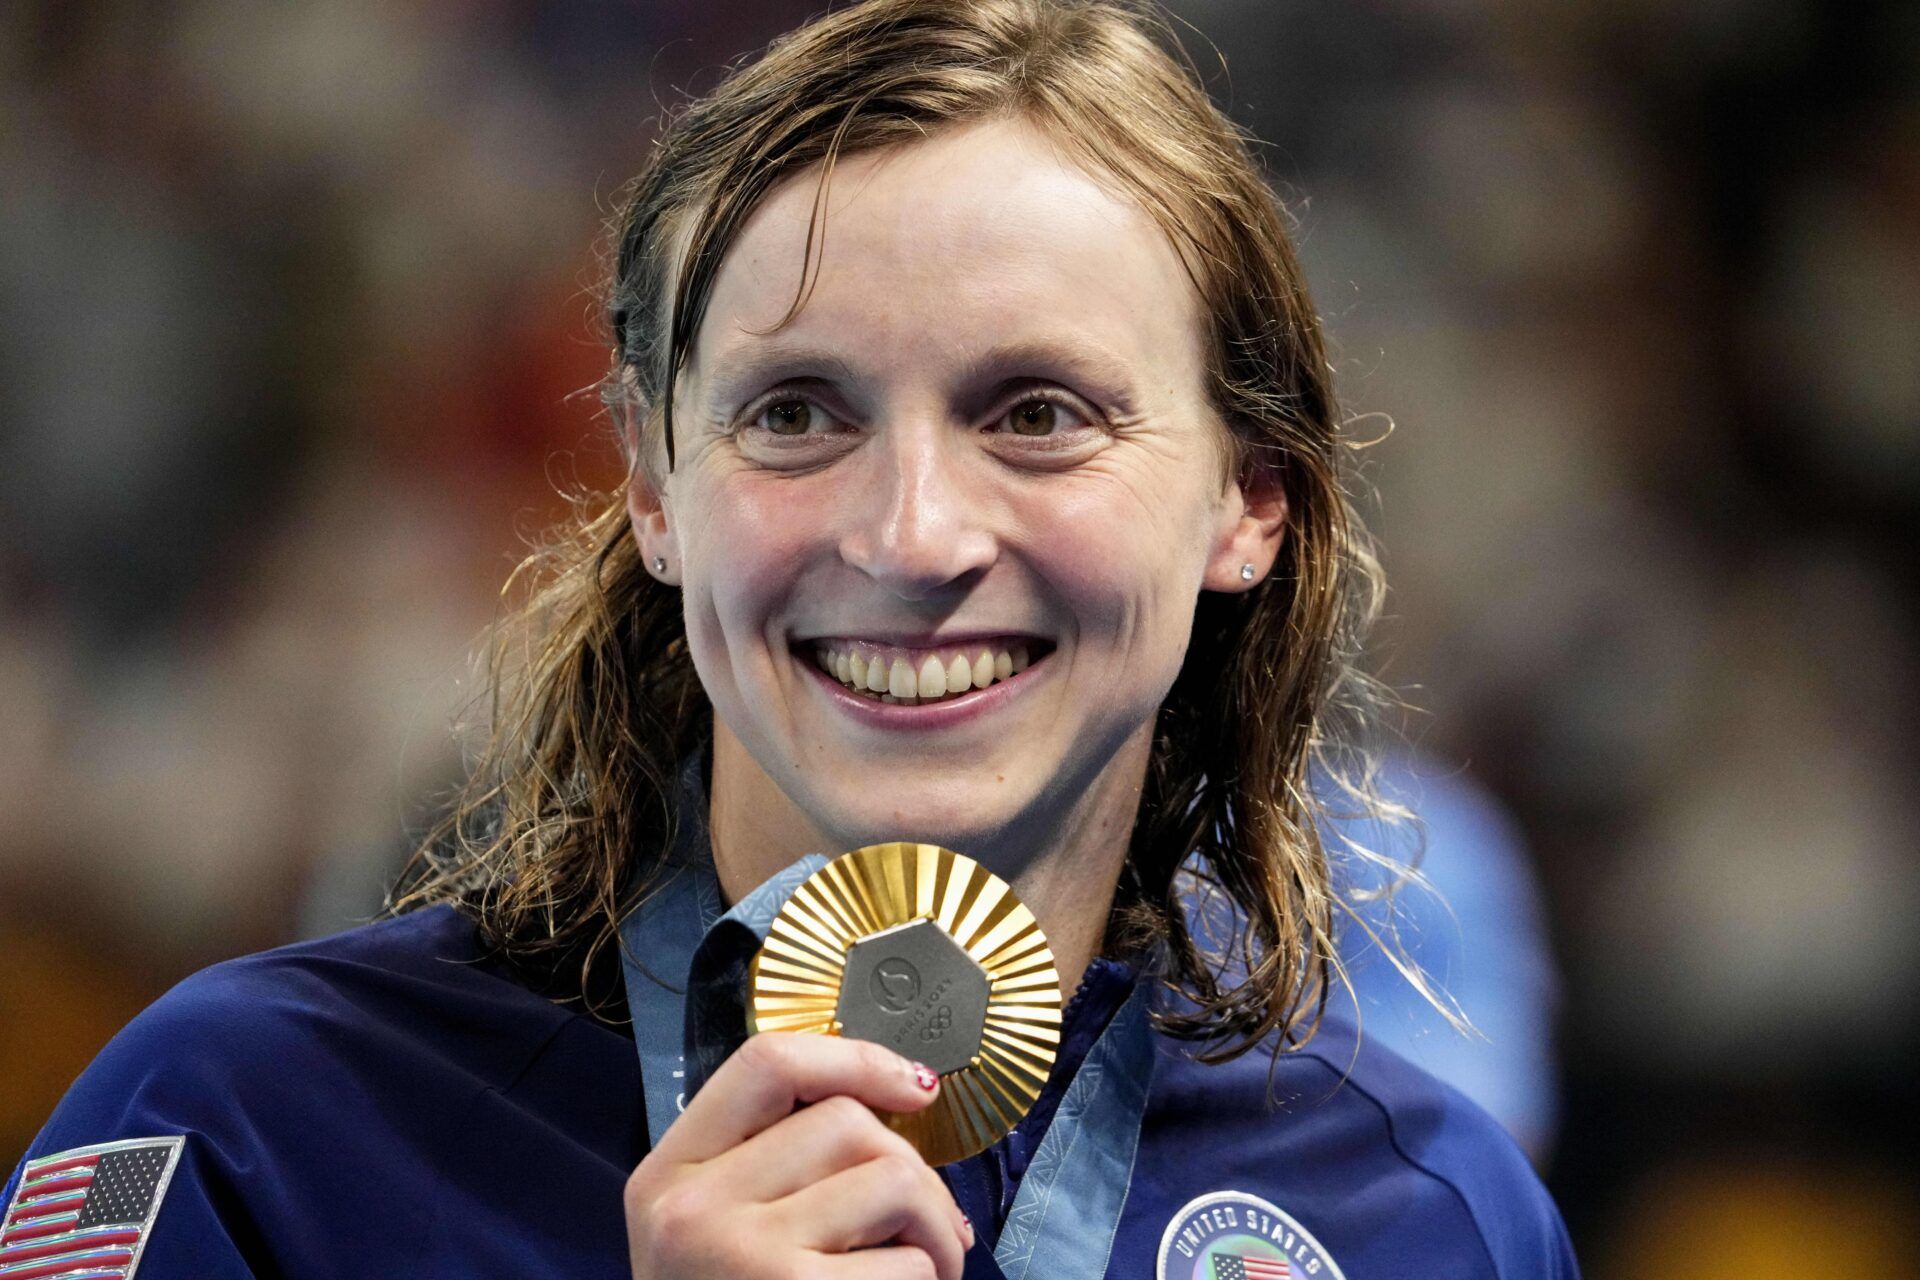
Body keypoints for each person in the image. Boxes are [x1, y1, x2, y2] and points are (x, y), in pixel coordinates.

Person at [2, 2, 1581, 1277]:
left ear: (1250, 501)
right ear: (654, 488)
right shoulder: (258, 1130)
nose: (908, 537)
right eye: (797, 413)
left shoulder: (1433, 1220)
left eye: (1037, 414)